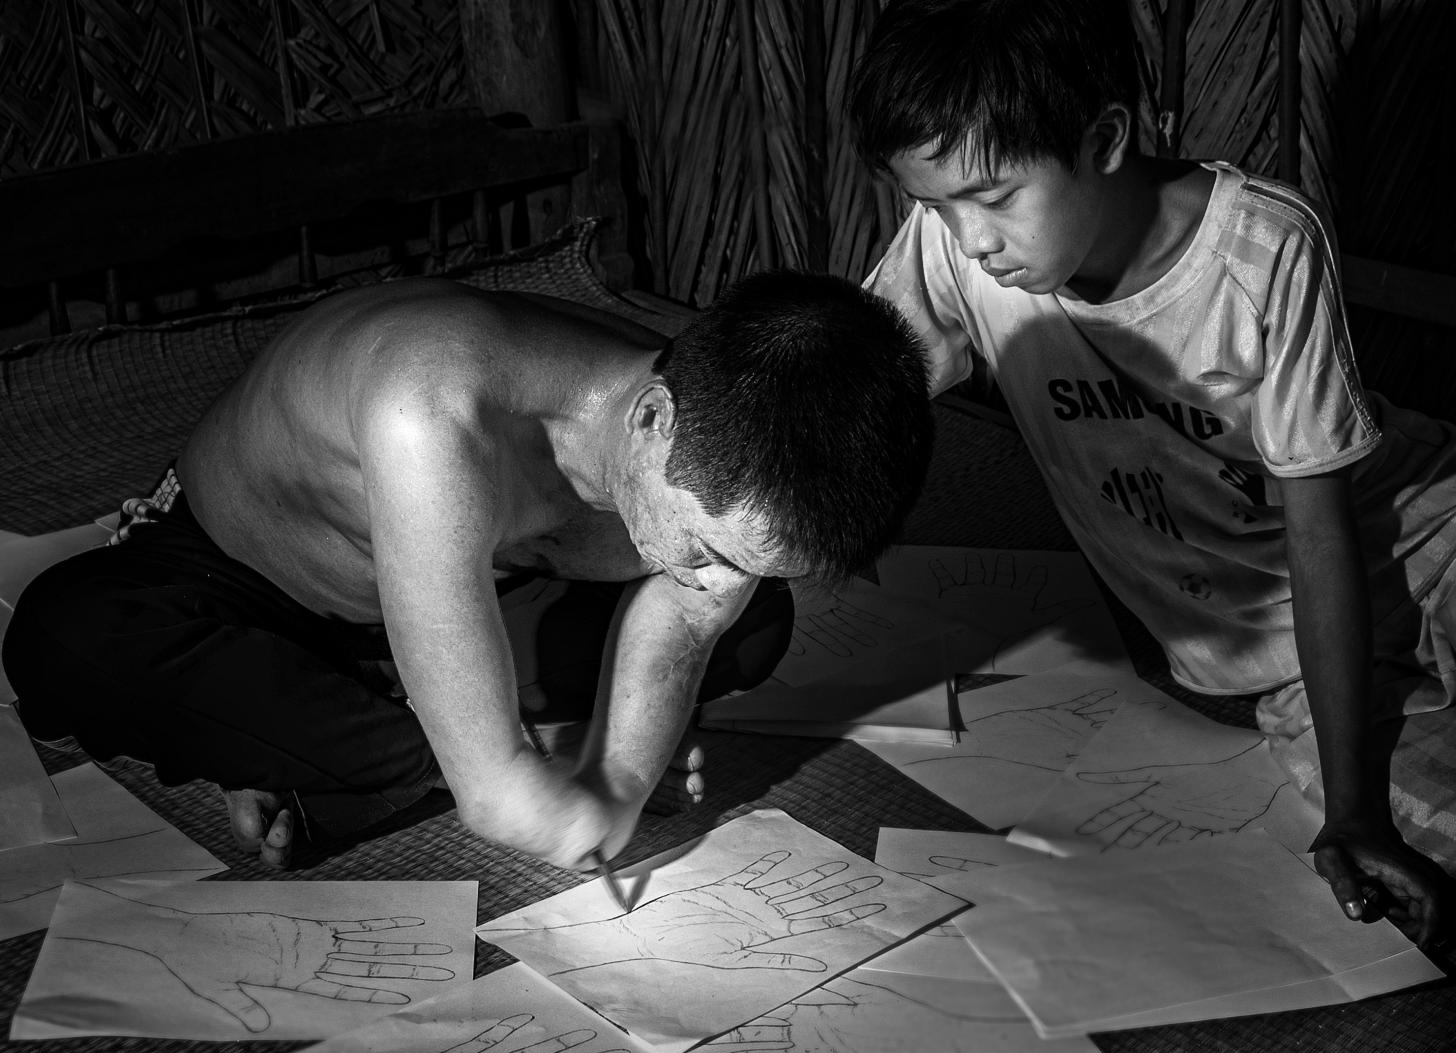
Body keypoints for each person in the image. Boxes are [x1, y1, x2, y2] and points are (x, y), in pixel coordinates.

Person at [849, 0, 1456, 945]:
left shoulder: (1262, 251)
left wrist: (1354, 809)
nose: (970, 240)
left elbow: (1320, 530)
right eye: (934, 204)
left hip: (1424, 535)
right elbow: (847, 403)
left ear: (1104, 140)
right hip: (1284, 652)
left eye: (996, 198)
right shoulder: (956, 254)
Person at [2, 271, 933, 872]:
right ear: (651, 420)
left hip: (474, 594)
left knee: (759, 625)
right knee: (66, 643)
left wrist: (615, 783)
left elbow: (693, 616)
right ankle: (382, 735)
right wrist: (545, 790)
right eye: (711, 550)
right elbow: (496, 798)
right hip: (253, 588)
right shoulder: (434, 407)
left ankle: (320, 746)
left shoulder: (724, 434)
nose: (716, 581)